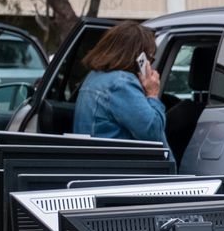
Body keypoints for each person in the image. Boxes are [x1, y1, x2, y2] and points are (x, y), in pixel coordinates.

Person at [73, 21, 171, 150]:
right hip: (122, 166)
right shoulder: (122, 84)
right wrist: (152, 94)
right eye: (150, 58)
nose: (150, 64)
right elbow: (152, 132)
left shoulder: (94, 76)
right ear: (139, 57)